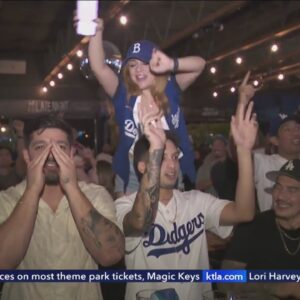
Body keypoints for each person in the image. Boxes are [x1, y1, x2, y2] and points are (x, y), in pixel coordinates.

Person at [115, 97, 258, 300]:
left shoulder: (195, 201)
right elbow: (139, 221)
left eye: (175, 157)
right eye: (162, 157)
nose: (172, 165)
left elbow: (244, 212)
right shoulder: (124, 205)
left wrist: (243, 152)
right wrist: (156, 146)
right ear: (142, 166)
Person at [0, 115, 125, 300]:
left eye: (60, 147)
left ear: (71, 153)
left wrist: (71, 186)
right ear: (27, 155)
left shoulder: (95, 195)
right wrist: (33, 190)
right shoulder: (6, 199)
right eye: (40, 147)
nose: (51, 155)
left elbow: (111, 255)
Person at [86, 17, 206, 196]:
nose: (138, 70)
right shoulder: (122, 94)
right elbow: (98, 67)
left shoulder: (171, 89)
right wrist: (96, 32)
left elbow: (200, 65)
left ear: (157, 65)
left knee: (170, 219)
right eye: (133, 65)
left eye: (145, 64)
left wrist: (171, 63)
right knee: (130, 221)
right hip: (133, 170)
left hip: (169, 165)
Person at [220, 159, 300, 299]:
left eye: (292, 190)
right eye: (278, 187)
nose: (280, 196)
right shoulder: (253, 226)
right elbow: (225, 282)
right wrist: (277, 287)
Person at [238, 72, 300, 212]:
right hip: (272, 230)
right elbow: (238, 155)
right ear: (274, 140)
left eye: (298, 128)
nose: (296, 133)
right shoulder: (262, 162)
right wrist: (242, 103)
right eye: (288, 130)